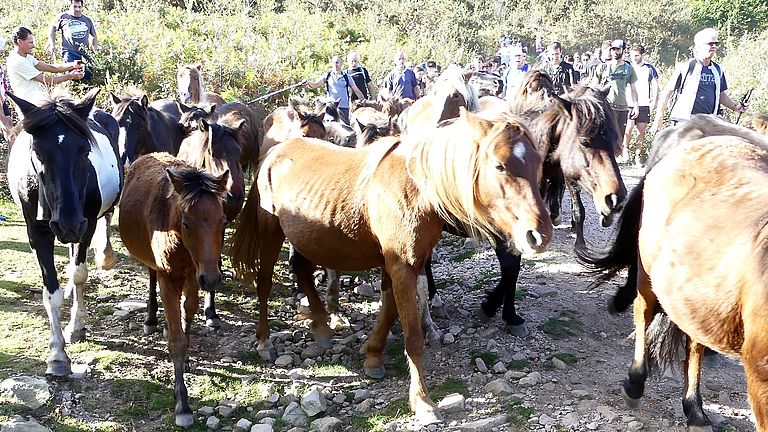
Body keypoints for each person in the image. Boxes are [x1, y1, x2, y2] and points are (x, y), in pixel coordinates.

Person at [651, 28, 747, 134]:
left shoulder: (718, 70)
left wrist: (735, 106)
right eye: (711, 43)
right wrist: (658, 118)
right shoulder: (686, 67)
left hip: (709, 123)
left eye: (716, 43)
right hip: (684, 123)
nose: (714, 46)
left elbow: (720, 94)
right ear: (699, 46)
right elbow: (667, 92)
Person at [7, 26, 84, 107]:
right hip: (29, 106)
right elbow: (46, 81)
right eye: (30, 42)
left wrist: (73, 65)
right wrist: (71, 76)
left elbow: (52, 68)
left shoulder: (26, 57)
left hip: (38, 102)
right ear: (20, 42)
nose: (33, 46)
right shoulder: (18, 61)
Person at [590, 39, 638, 162]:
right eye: (613, 49)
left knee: (619, 136)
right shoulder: (602, 68)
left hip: (622, 107)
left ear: (623, 50)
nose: (615, 52)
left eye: (618, 49)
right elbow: (594, 87)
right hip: (606, 107)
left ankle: (615, 161)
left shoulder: (629, 69)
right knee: (604, 135)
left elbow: (633, 89)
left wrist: (636, 106)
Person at [46, 0, 99, 82]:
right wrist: (52, 43)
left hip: (84, 52)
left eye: (79, 7)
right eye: (75, 7)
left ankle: (86, 90)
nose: (77, 9)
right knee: (72, 75)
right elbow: (52, 29)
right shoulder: (63, 17)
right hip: (69, 52)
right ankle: (71, 90)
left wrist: (95, 46)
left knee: (87, 75)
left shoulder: (87, 20)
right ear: (69, 6)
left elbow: (94, 35)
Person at [623, 44, 658, 166]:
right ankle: (625, 149)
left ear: (642, 55)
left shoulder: (649, 68)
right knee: (628, 128)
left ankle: (638, 155)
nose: (634, 58)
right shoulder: (627, 67)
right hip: (629, 103)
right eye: (632, 55)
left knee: (641, 131)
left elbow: (655, 85)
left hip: (644, 103)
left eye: (636, 55)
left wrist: (654, 100)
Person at [306, 55, 365, 126]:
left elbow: (356, 90)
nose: (335, 65)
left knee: (345, 128)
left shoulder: (346, 77)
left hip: (343, 107)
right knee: (329, 126)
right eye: (333, 63)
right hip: (331, 107)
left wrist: (363, 101)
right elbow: (316, 85)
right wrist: (308, 83)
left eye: (337, 62)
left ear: (342, 64)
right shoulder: (328, 76)